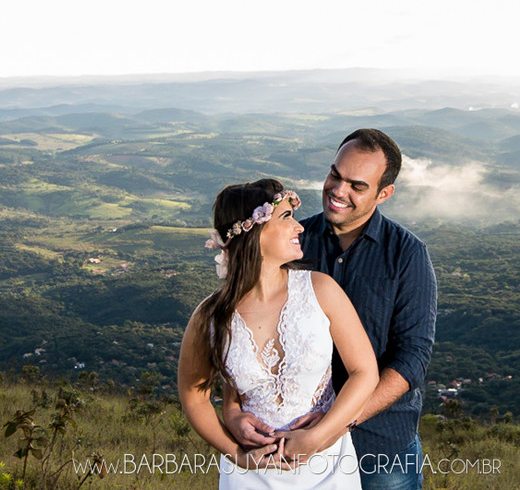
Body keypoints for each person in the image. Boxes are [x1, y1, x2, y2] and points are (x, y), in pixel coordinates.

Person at [225, 130, 438, 490]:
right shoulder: (290, 241)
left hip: (380, 448)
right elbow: (243, 329)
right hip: (285, 449)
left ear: (383, 193)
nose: (339, 191)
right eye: (335, 175)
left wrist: (336, 425)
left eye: (357, 185)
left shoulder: (407, 255)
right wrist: (232, 411)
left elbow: (412, 358)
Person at [179, 179, 378, 488]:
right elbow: (194, 398)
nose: (299, 228)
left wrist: (318, 437)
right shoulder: (210, 317)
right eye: (286, 218)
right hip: (250, 475)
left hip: (327, 468)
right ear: (253, 232)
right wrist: (236, 454)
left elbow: (364, 372)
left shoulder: (321, 290)